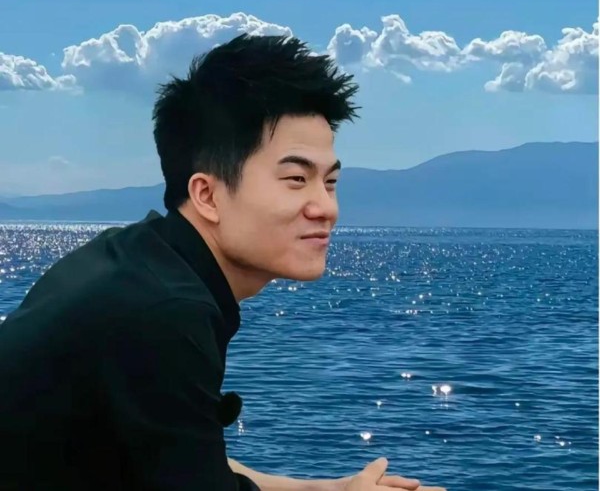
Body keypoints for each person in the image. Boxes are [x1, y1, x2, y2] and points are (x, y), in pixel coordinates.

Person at [0, 33, 445, 490]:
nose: (326, 208)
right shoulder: (162, 312)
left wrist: (329, 489)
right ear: (207, 195)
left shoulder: (135, 260)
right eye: (296, 179)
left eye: (329, 183)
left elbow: (185, 458)